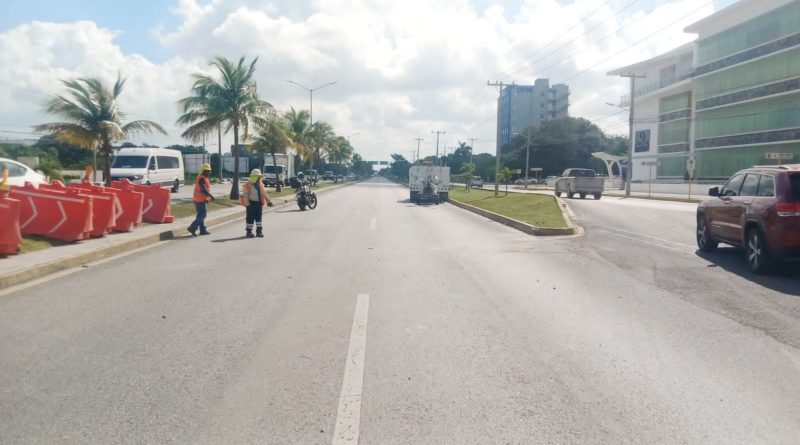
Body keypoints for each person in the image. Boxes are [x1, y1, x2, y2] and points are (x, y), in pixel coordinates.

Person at [241, 168, 273, 238]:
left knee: (259, 219)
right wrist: (247, 205)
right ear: (255, 177)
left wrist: (269, 201)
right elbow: (245, 195)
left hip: (259, 204)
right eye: (259, 176)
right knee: (250, 218)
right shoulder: (248, 185)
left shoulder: (260, 184)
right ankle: (248, 232)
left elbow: (264, 194)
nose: (260, 178)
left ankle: (259, 232)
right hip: (251, 204)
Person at [188, 163, 214, 236]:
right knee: (203, 215)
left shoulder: (204, 178)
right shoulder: (202, 178)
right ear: (203, 171)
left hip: (201, 200)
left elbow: (205, 189)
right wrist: (210, 195)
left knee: (200, 215)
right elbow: (203, 188)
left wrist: (208, 198)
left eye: (209, 170)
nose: (208, 172)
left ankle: (202, 230)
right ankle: (192, 227)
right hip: (199, 200)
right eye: (206, 170)